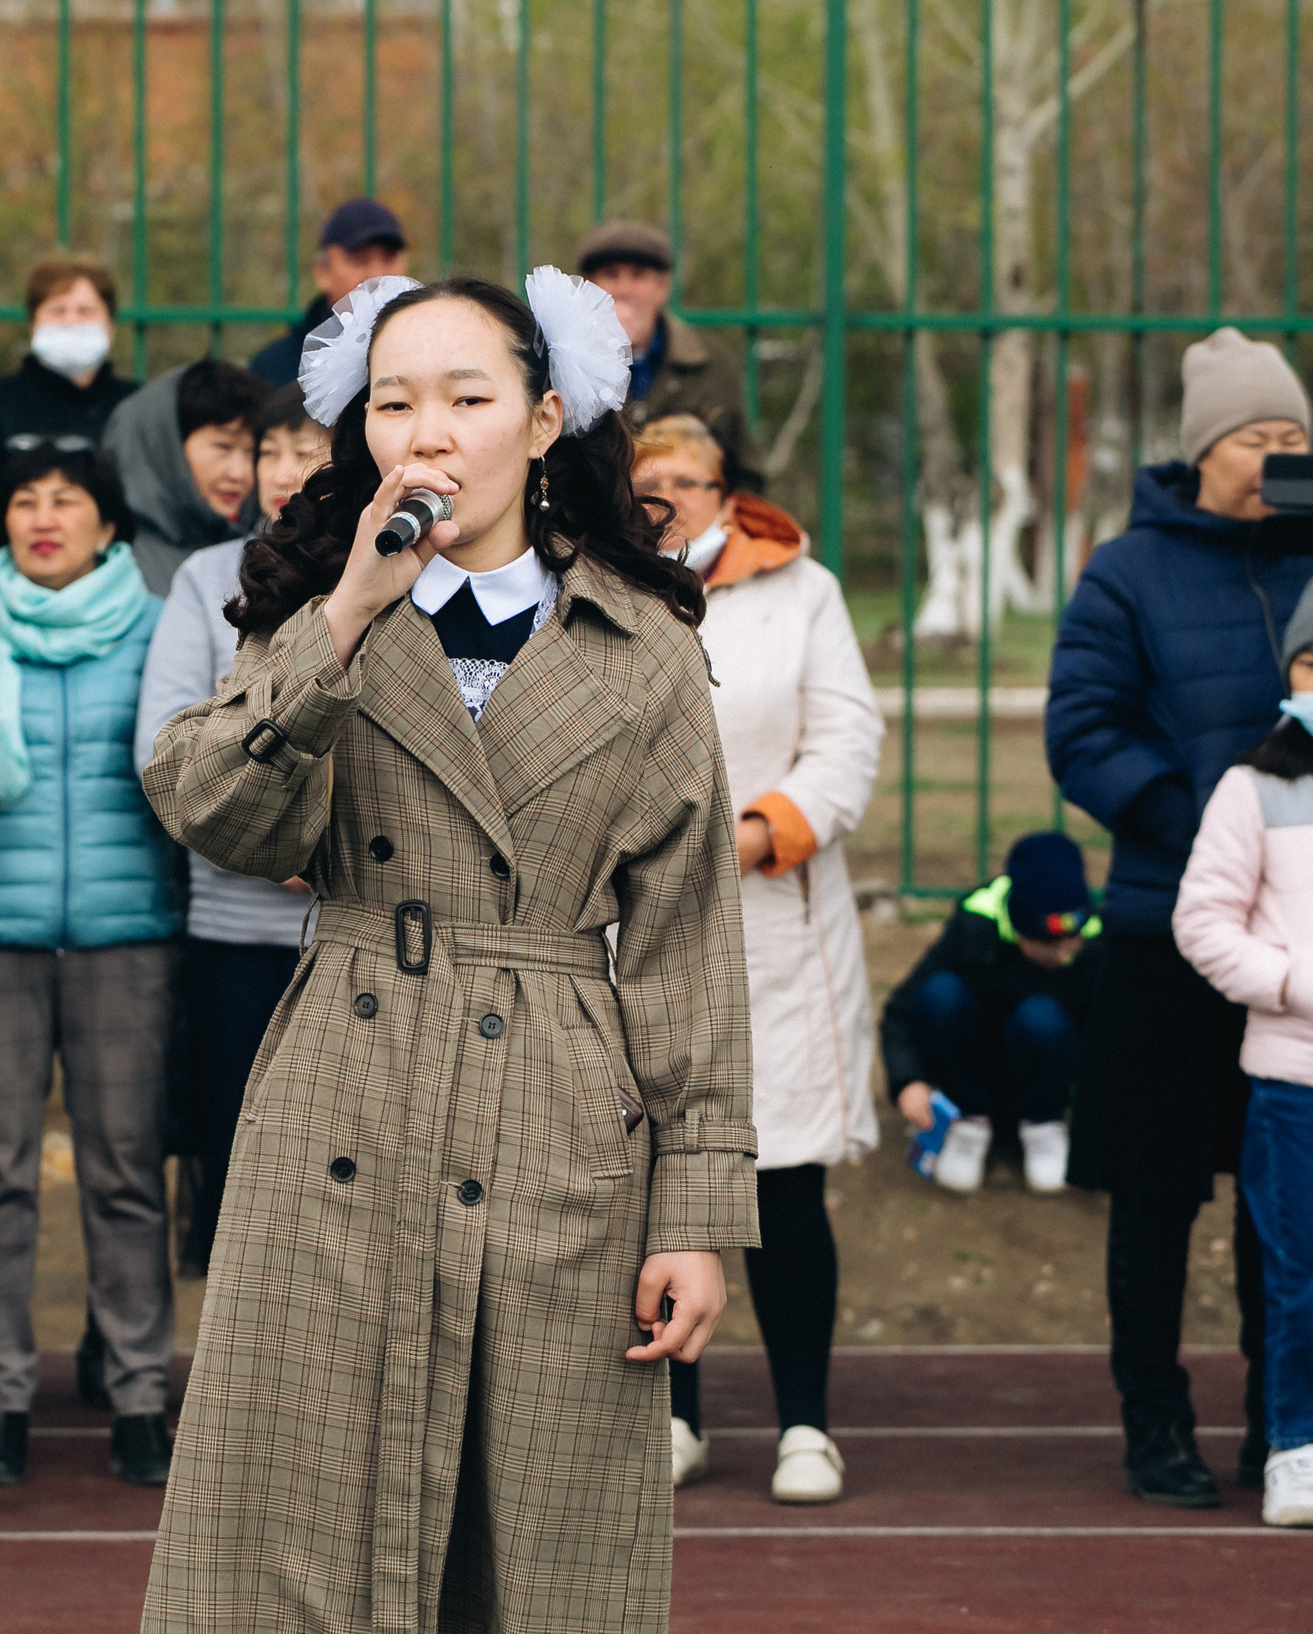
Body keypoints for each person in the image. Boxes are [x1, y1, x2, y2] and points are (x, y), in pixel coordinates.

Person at [137, 271, 755, 1632]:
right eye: (395, 400)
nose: (427, 430)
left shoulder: (643, 646)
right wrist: (347, 613)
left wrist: (698, 1211)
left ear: (542, 423)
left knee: (536, 1533)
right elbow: (211, 808)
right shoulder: (316, 611)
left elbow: (685, 936)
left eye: (467, 397)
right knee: (292, 1516)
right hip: (341, 1092)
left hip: (554, 1104)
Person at [1047, 325, 1313, 1507]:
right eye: (1259, 438)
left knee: (1283, 1203)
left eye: (1297, 439)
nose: (1278, 457)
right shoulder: (1127, 571)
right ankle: (1153, 1419)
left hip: (1293, 950)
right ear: (1204, 451)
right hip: (1168, 925)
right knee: (1157, 1196)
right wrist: (1202, 820)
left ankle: (1283, 1424)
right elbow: (1083, 729)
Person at [632, 412, 882, 1505]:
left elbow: (846, 739)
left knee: (780, 1181)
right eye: (649, 481)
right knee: (644, 1179)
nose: (670, 498)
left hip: (767, 916)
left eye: (690, 480)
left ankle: (804, 1424)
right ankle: (672, 1418)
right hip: (626, 917)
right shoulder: (587, 583)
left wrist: (755, 831)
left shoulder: (801, 592)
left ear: (729, 492)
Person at [0, 439, 180, 1490]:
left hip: (128, 938)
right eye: (23, 500)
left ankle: (136, 1395)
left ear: (108, 524)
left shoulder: (164, 634)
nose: (42, 518)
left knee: (127, 1177)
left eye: (66, 501)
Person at [137, 381, 326, 1277]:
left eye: (307, 449)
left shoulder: (411, 570)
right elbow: (167, 745)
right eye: (269, 451)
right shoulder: (207, 577)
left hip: (368, 935)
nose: (282, 472)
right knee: (239, 1188)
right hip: (236, 941)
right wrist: (277, 838)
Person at [1172, 581, 1313, 1528]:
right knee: (1298, 1275)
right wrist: (1298, 986)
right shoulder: (1255, 787)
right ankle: (1295, 1446)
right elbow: (1203, 922)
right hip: (1293, 1083)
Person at [879, 832, 1099, 1195]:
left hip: (1050, 1078)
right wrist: (908, 1081)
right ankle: (969, 1123)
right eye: (1048, 947)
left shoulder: (1096, 941)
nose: (1062, 956)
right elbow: (901, 1010)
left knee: (1041, 1018)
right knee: (940, 995)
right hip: (978, 1072)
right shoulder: (974, 926)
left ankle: (1044, 1126)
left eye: (1069, 944)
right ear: (1019, 928)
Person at [0, 258, 140, 567]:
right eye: (57, 310)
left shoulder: (138, 404)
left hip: (118, 581)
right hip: (7, 581)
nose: (71, 322)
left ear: (109, 325)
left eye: (85, 311)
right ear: (33, 323)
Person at [576, 218, 762, 494]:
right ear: (589, 287)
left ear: (662, 287)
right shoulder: (561, 363)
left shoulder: (712, 362)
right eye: (611, 275)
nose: (624, 290)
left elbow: (744, 473)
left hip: (688, 529)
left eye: (638, 275)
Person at [103, 357, 269, 595]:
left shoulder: (267, 553)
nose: (239, 473)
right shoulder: (108, 564)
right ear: (165, 447)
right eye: (223, 446)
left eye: (253, 452)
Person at [248, 197, 410, 387]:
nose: (377, 276)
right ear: (322, 272)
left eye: (389, 258)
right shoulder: (274, 369)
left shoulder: (432, 352)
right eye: (359, 260)